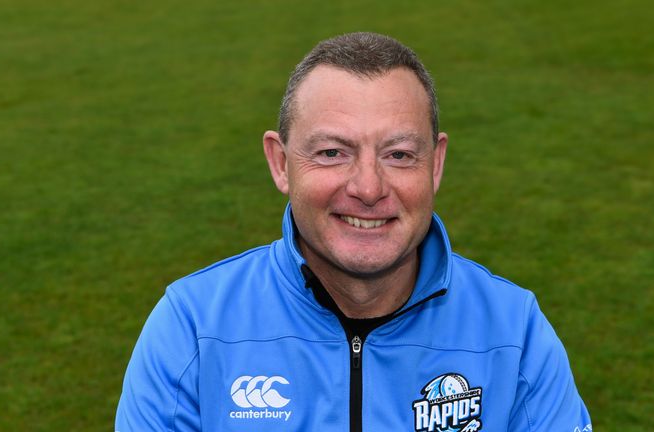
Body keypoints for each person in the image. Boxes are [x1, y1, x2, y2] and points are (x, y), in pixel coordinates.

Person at [115, 32, 592, 432]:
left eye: (399, 154)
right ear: (280, 163)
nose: (368, 187)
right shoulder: (193, 327)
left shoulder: (514, 331)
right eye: (331, 152)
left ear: (436, 163)